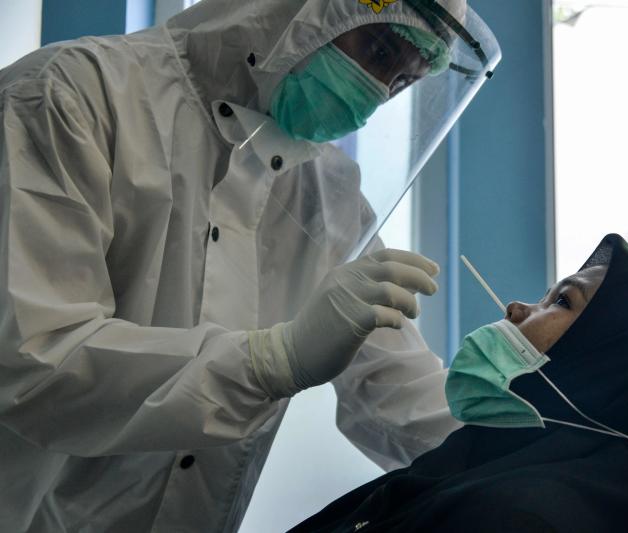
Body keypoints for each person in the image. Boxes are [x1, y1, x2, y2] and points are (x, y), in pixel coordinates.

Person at [0, 1, 499, 531]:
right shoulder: (71, 96)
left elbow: (393, 387)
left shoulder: (329, 194)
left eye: (401, 81)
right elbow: (36, 361)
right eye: (377, 52)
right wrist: (271, 363)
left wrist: (525, 448)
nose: (376, 92)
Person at [289, 234, 628, 532]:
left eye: (561, 301)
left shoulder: (518, 517)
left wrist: (279, 359)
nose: (516, 307)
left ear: (608, 362)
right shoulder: (487, 468)